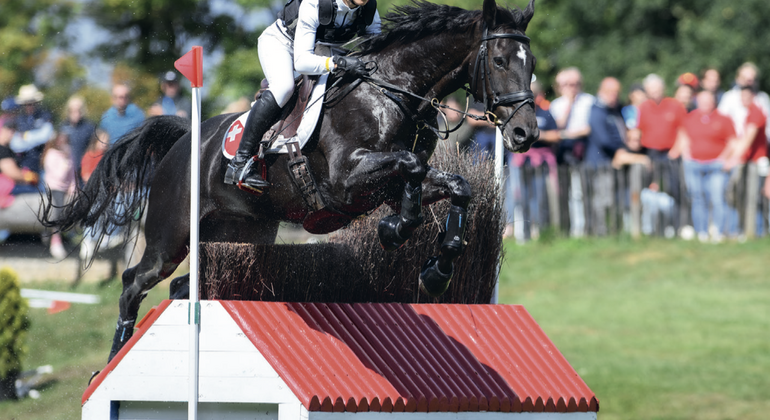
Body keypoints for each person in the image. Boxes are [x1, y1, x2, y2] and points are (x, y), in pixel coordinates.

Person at [224, 0, 381, 192]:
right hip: (284, 46)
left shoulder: (369, 9)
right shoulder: (315, 3)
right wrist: (339, 63)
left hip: (323, 50)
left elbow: (376, 49)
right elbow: (302, 62)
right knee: (284, 87)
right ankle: (240, 162)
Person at [585, 77, 650, 235]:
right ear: (601, 92)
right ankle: (600, 232)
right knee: (603, 199)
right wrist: (620, 151)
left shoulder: (615, 109)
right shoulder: (597, 110)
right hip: (601, 162)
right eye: (610, 92)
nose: (614, 95)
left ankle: (614, 230)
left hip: (615, 161)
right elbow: (603, 139)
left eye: (616, 92)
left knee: (614, 199)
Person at [679, 90, 736, 242]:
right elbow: (684, 137)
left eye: (708, 101)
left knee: (717, 198)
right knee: (697, 197)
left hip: (716, 165)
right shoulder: (690, 118)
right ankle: (702, 232)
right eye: (702, 100)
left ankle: (718, 231)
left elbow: (732, 141)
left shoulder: (723, 119)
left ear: (713, 102)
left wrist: (723, 158)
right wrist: (686, 155)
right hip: (694, 164)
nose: (705, 104)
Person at [507, 78, 560, 240]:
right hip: (519, 160)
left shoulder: (545, 113)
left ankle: (537, 230)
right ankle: (516, 230)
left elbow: (556, 135)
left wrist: (537, 134)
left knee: (538, 196)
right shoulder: (516, 113)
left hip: (539, 163)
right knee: (516, 196)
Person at [635, 74, 687, 234]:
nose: (655, 91)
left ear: (663, 88)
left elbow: (683, 130)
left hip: (671, 154)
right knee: (652, 190)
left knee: (674, 189)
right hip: (651, 154)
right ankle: (656, 227)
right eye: (652, 89)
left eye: (658, 88)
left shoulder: (675, 105)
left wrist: (676, 150)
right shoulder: (643, 107)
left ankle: (677, 225)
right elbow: (638, 131)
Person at [549, 67, 594, 237]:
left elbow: (590, 128)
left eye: (574, 84)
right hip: (563, 153)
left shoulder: (589, 101)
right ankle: (568, 226)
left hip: (584, 150)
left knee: (580, 191)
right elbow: (557, 127)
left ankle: (582, 227)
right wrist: (568, 106)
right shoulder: (556, 105)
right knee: (566, 191)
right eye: (566, 84)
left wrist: (567, 134)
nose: (571, 87)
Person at [723, 84, 769, 237]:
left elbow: (748, 139)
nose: (744, 100)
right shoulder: (750, 113)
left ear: (754, 97)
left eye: (747, 96)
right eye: (742, 96)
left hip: (757, 162)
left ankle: (757, 231)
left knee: (754, 198)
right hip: (750, 161)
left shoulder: (756, 113)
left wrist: (733, 159)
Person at [42, 130, 77, 258]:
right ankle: (55, 239)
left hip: (66, 188)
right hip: (54, 186)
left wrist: (74, 188)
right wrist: (65, 163)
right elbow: (59, 176)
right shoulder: (51, 155)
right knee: (58, 207)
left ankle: (72, 234)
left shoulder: (69, 153)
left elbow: (72, 174)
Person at [10, 84, 54, 185]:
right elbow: (16, 145)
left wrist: (25, 137)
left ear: (36, 103)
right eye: (26, 104)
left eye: (31, 103)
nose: (29, 106)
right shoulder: (19, 119)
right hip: (25, 166)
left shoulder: (45, 115)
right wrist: (36, 137)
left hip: (43, 165)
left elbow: (46, 136)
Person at [718, 62, 770, 139]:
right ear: (737, 78)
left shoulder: (762, 98)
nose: (748, 81)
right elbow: (721, 122)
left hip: (758, 144)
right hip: (734, 142)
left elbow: (768, 125)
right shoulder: (729, 97)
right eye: (744, 78)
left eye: (752, 79)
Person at [60, 95, 96, 183]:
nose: (76, 114)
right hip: (67, 171)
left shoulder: (89, 127)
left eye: (79, 110)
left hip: (84, 171)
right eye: (73, 111)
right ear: (68, 111)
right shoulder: (63, 127)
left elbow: (93, 149)